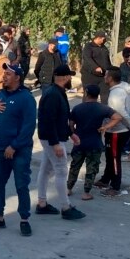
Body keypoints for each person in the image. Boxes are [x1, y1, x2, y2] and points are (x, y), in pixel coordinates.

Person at [0, 68, 36, 236]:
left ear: (18, 77)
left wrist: (15, 146)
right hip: (1, 147)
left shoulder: (26, 99)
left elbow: (29, 127)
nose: (4, 76)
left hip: (19, 150)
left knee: (21, 185)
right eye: (4, 74)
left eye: (9, 74)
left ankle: (24, 220)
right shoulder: (0, 94)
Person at [35, 65, 85, 219]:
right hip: (52, 138)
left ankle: (42, 203)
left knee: (46, 169)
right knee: (61, 170)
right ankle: (66, 207)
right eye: (69, 76)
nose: (71, 78)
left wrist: (71, 134)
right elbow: (48, 120)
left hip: (53, 136)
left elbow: (60, 118)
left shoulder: (57, 92)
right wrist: (55, 143)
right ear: (64, 77)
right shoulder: (53, 94)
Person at [67, 85, 123, 200]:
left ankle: (68, 189)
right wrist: (105, 127)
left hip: (79, 143)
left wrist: (73, 135)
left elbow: (71, 124)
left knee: (74, 167)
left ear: (86, 93)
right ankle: (86, 193)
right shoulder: (103, 108)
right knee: (91, 168)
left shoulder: (77, 108)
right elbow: (117, 117)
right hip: (94, 143)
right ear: (98, 94)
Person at [98, 69, 130, 196]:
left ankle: (115, 186)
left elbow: (121, 113)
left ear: (111, 78)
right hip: (122, 129)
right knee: (109, 156)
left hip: (116, 131)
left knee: (113, 158)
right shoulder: (125, 88)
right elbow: (129, 109)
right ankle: (105, 179)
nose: (104, 77)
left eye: (106, 75)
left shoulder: (115, 95)